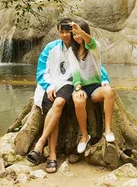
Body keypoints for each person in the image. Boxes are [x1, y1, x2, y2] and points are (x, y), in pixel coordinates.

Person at [26, 18, 75, 173]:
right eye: (62, 31)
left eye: (68, 31)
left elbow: (95, 65)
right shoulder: (50, 47)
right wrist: (48, 86)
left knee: (59, 103)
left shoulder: (79, 46)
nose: (65, 34)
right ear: (58, 32)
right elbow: (41, 71)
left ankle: (40, 144)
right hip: (50, 85)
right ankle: (52, 156)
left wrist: (105, 80)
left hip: (67, 84)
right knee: (53, 113)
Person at [68, 20, 115, 154]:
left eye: (79, 34)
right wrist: (77, 88)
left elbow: (90, 42)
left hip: (95, 86)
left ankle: (108, 130)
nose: (77, 37)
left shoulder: (94, 47)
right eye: (74, 35)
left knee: (109, 92)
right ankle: (84, 136)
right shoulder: (72, 50)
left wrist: (80, 32)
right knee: (78, 101)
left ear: (85, 33)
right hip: (80, 86)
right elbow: (75, 70)